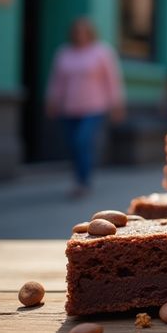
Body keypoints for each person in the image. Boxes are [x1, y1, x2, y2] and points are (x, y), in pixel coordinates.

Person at [45, 17, 125, 198]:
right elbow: (57, 80)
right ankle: (78, 177)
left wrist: (117, 103)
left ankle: (83, 182)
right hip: (69, 108)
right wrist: (52, 100)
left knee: (83, 142)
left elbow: (112, 80)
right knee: (73, 145)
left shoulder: (102, 52)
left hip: (94, 107)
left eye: (83, 31)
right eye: (76, 32)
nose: (79, 35)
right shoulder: (64, 53)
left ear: (90, 33)